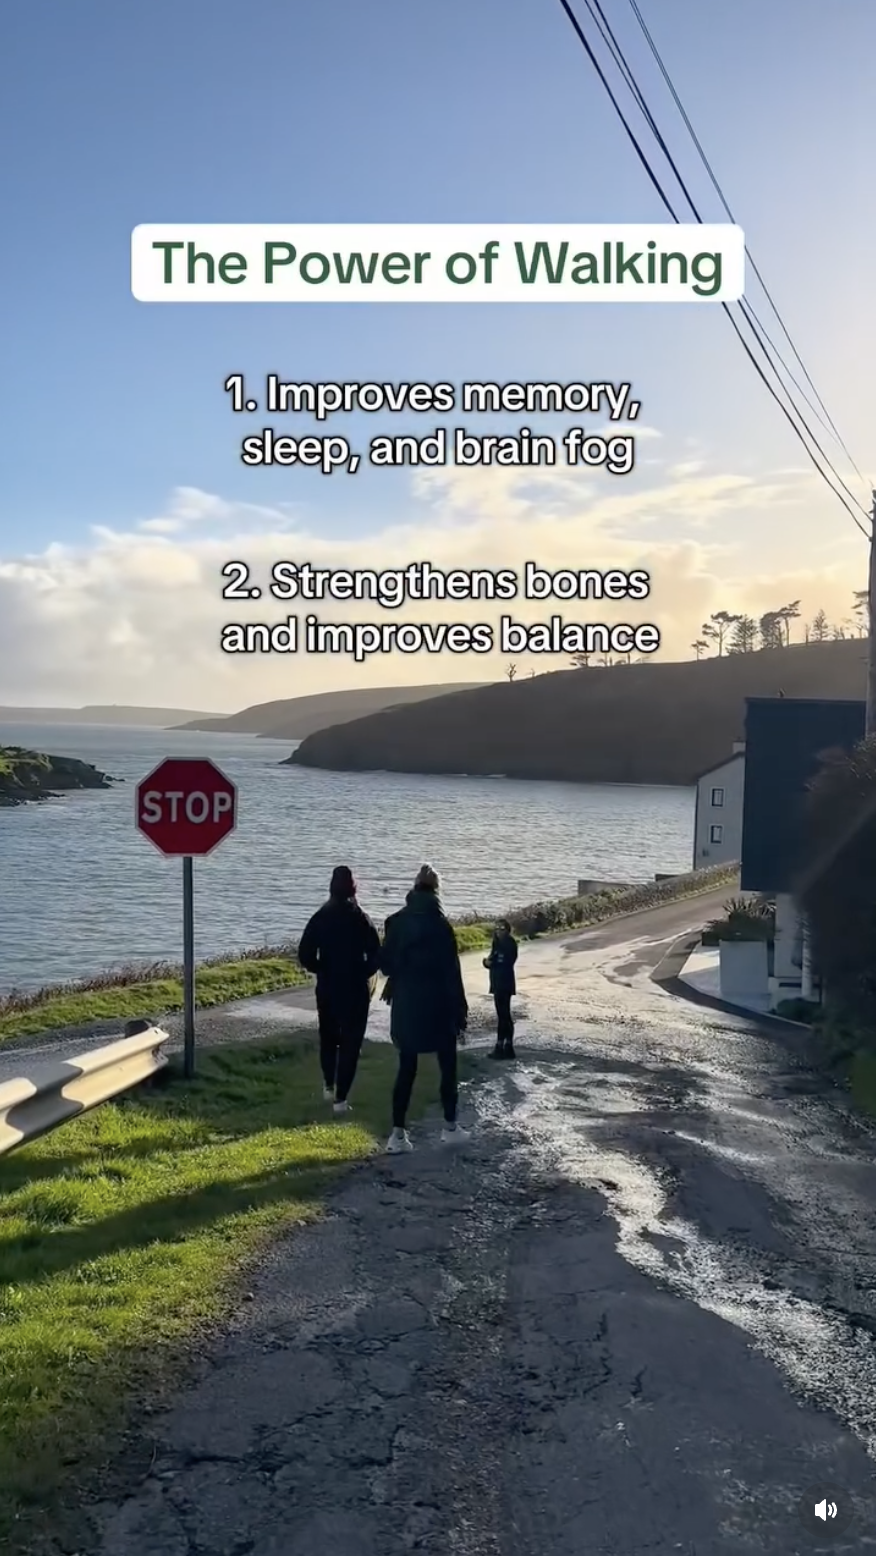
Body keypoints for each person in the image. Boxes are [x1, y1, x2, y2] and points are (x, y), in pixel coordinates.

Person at [379, 863, 469, 1153]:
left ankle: (397, 1135)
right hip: (438, 1005)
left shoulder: (396, 922)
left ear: (414, 887)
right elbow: (452, 974)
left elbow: (385, 966)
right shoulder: (442, 926)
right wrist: (460, 1012)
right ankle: (450, 1127)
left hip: (406, 1003)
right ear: (437, 890)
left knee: (406, 1068)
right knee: (447, 1067)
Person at [298, 865, 381, 1115]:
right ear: (353, 888)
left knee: (328, 1038)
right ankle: (341, 1099)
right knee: (350, 1044)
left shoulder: (321, 916)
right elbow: (376, 954)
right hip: (355, 987)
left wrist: (321, 968)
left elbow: (305, 954)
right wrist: (364, 972)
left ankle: (328, 1084)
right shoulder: (361, 918)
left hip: (328, 986)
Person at [483, 919, 518, 1059]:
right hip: (497, 982)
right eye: (496, 928)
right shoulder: (496, 943)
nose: (498, 931)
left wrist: (490, 962)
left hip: (505, 982)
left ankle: (503, 1046)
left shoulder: (509, 943)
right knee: (503, 1015)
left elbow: (505, 961)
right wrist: (487, 962)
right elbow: (492, 959)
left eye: (501, 928)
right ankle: (505, 1046)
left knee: (504, 1016)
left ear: (507, 929)